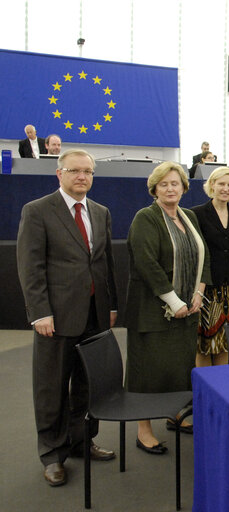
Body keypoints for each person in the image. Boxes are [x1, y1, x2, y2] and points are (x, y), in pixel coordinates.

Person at [17, 149, 117, 487]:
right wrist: (39, 312)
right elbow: (31, 268)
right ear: (59, 174)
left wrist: (111, 306)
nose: (82, 177)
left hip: (95, 315)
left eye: (88, 172)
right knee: (52, 389)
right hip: (56, 319)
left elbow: (104, 265)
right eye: (75, 171)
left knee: (88, 387)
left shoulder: (101, 212)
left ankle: (81, 442)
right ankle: (52, 455)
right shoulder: (37, 211)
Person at [125, 162, 210, 454]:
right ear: (155, 189)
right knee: (147, 372)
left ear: (184, 187)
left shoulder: (188, 217)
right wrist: (174, 301)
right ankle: (143, 429)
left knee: (178, 369)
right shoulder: (145, 218)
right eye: (164, 184)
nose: (170, 188)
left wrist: (199, 292)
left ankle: (175, 415)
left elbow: (203, 255)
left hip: (187, 312)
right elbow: (147, 263)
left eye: (175, 183)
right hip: (152, 312)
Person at [192, 167, 229, 367]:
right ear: (212, 185)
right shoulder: (196, 213)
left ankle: (222, 388)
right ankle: (205, 389)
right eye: (221, 184)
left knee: (226, 344)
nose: (225, 188)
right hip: (206, 289)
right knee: (204, 345)